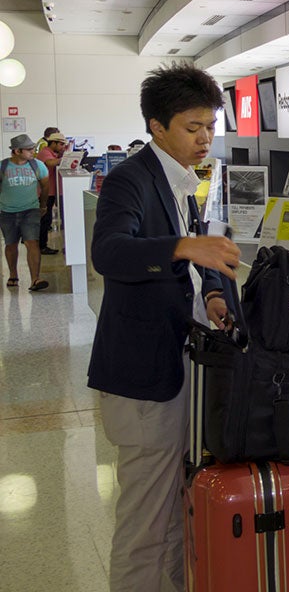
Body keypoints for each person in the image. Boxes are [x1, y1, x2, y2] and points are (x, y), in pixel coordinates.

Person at [88, 61, 240, 592]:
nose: (205, 139)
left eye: (211, 127)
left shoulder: (180, 180)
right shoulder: (131, 179)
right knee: (145, 521)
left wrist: (213, 292)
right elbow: (109, 252)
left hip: (176, 363)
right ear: (157, 126)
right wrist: (182, 246)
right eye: (192, 128)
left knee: (174, 505)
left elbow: (195, 253)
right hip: (142, 374)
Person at [1, 134, 51, 291]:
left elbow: (45, 186)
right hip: (7, 211)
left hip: (31, 210)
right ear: (17, 151)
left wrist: (43, 205)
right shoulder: (3, 167)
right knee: (11, 244)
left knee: (32, 242)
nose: (33, 152)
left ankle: (35, 279)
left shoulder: (38, 166)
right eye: (29, 149)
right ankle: (13, 274)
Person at [35, 131, 67, 254]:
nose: (62, 147)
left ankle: (41, 245)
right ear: (53, 143)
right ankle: (41, 246)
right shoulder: (45, 152)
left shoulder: (53, 153)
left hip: (51, 191)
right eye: (61, 144)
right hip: (44, 193)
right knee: (44, 220)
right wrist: (66, 159)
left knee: (46, 220)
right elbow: (50, 163)